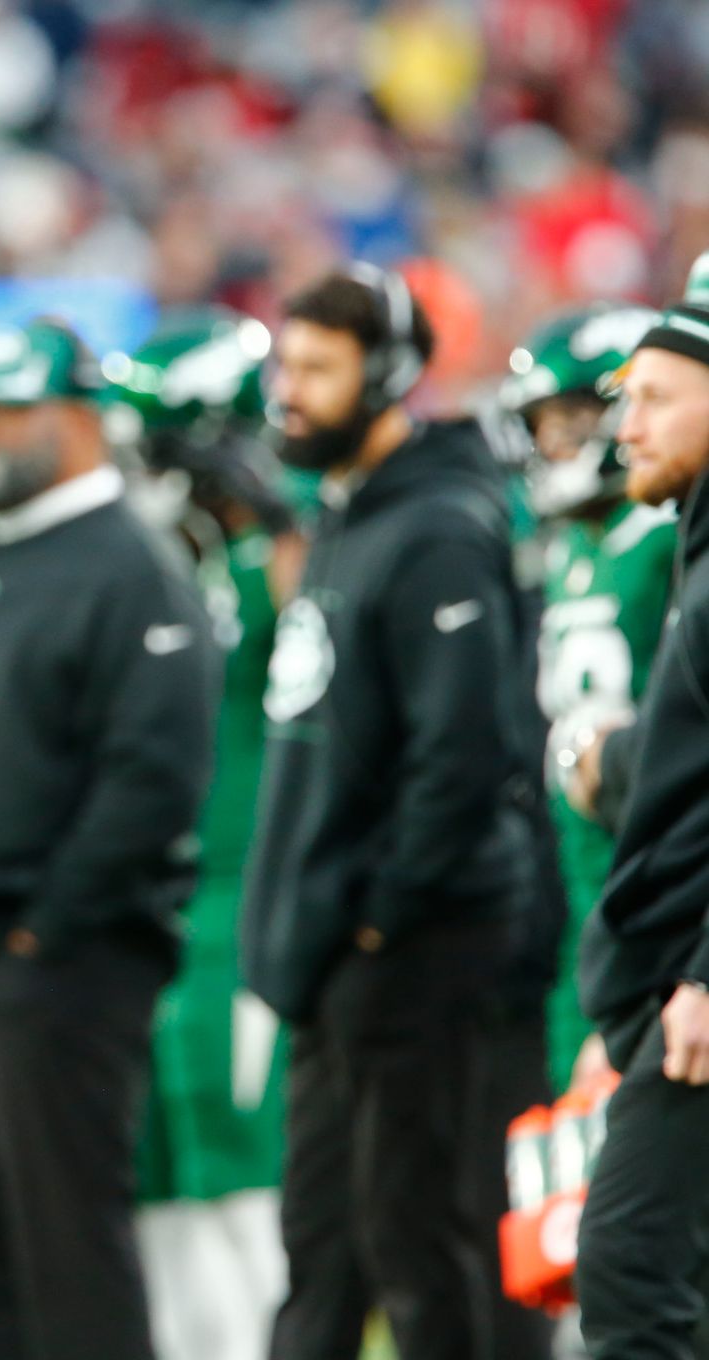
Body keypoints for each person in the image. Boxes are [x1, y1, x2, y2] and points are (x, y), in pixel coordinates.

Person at [0, 316, 219, 1360]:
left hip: (51, 971)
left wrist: (45, 930)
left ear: (81, 417)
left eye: (13, 410)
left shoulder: (132, 563)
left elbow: (153, 778)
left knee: (65, 1259)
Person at [246, 267, 536, 1360]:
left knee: (417, 1247)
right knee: (322, 1247)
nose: (290, 390)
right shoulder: (349, 517)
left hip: (408, 948)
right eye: (286, 362)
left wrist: (377, 917)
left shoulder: (442, 528)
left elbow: (463, 759)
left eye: (319, 368)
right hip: (341, 950)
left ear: (396, 376)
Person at [105, 309, 297, 1360]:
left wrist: (268, 517)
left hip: (247, 896)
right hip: (159, 903)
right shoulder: (155, 550)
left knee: (242, 1183)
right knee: (160, 1184)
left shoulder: (290, 538)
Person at [571, 276, 709, 1360]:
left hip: (695, 999)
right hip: (665, 987)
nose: (629, 426)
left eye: (658, 396)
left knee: (626, 1262)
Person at [498, 305, 674, 1094]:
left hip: (661, 886)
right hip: (583, 886)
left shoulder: (667, 532)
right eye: (542, 425)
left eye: (570, 419)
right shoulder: (573, 545)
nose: (551, 446)